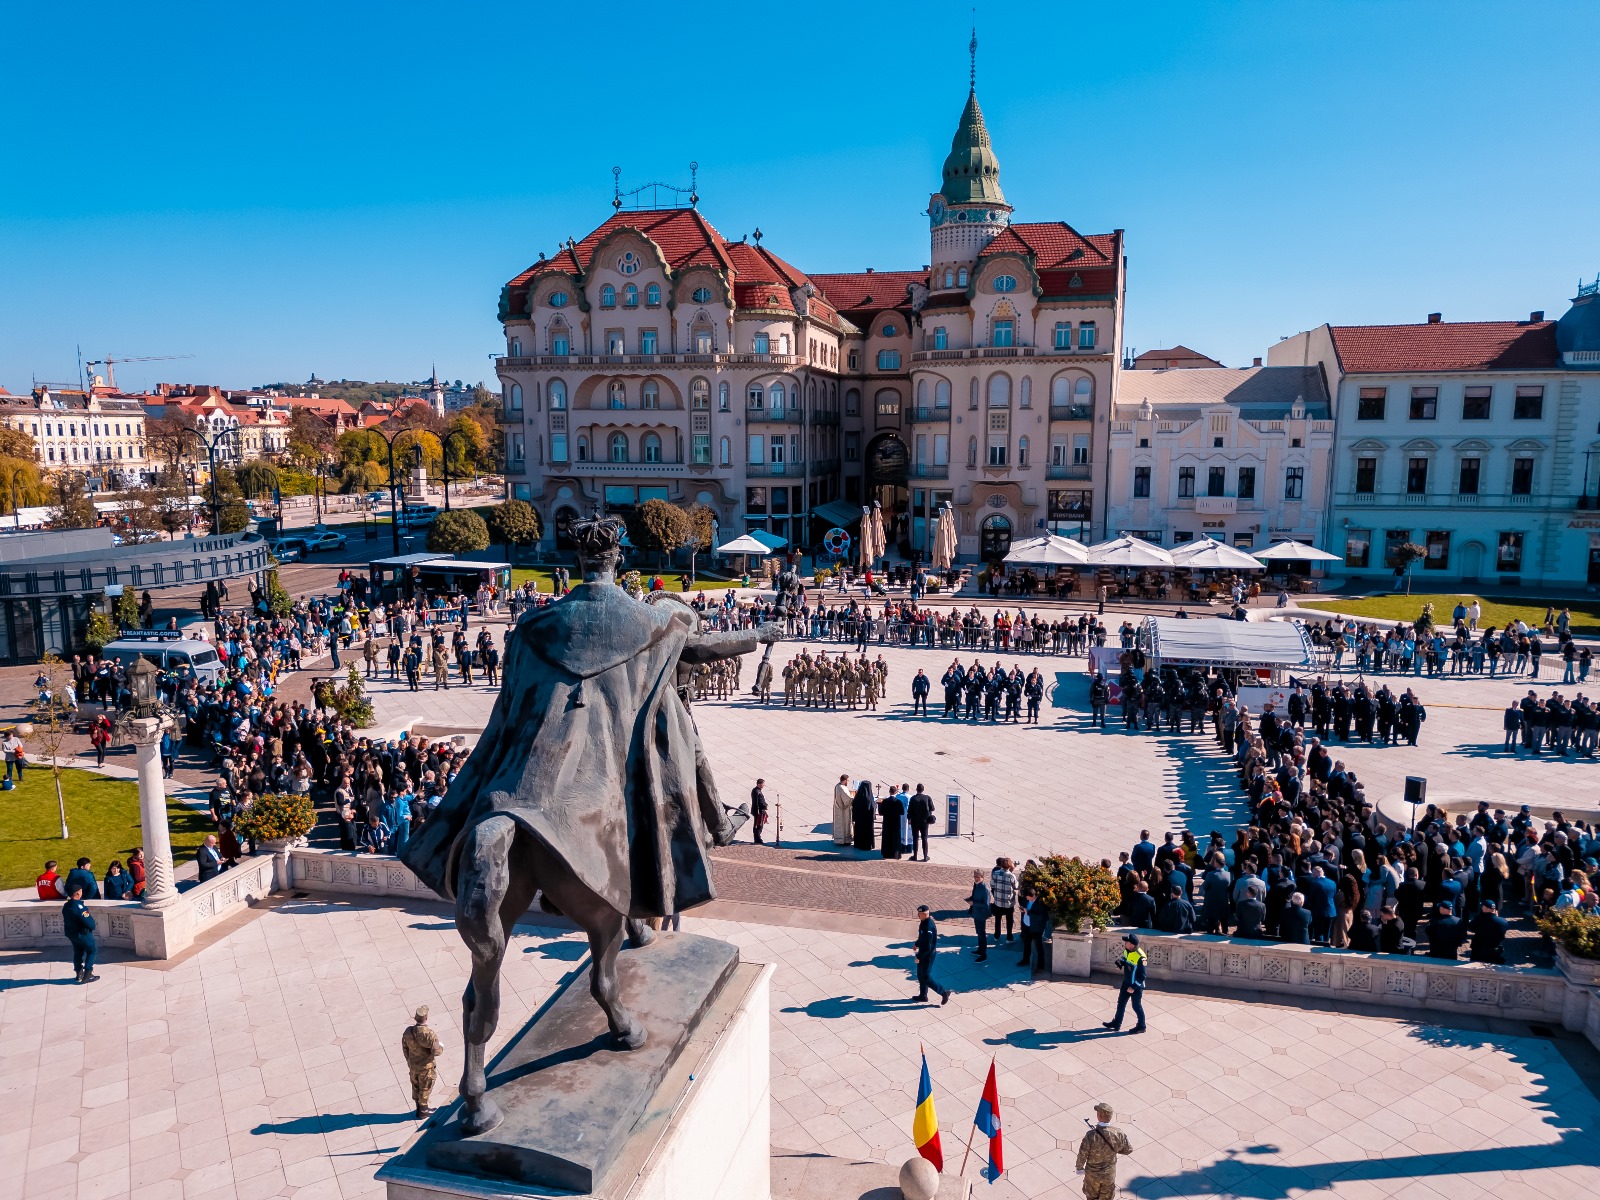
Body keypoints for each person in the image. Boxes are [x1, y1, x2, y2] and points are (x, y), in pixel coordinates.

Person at [1075, 1102, 1133, 1199]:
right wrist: (1115, 1150)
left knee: (1091, 1197)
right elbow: (1128, 1149)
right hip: (1108, 1174)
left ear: (1099, 1116)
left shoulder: (1090, 1135)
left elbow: (1082, 1154)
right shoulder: (1118, 1133)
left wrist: (1079, 1168)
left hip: (1092, 1175)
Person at [402, 1004, 444, 1118]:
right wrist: (441, 1047)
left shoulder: (408, 1032)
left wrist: (409, 1061)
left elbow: (405, 1048)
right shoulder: (430, 1034)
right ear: (426, 1018)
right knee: (425, 1088)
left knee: (416, 1087)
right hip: (426, 1067)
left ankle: (418, 1108)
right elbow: (437, 1051)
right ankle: (423, 1111)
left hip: (413, 1066)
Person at [1102, 933, 1148, 1033]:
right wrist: (1121, 963)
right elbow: (1125, 958)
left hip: (1136, 986)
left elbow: (1142, 976)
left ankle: (1142, 1026)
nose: (1124, 943)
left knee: (1136, 1006)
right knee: (1121, 1003)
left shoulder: (1141, 957)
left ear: (1131, 945)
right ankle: (1116, 1023)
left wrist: (1133, 987)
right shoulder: (1127, 950)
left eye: (1126, 942)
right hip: (1126, 982)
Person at [912, 903, 950, 1005]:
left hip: (927, 956)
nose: (918, 915)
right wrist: (917, 943)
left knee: (926, 977)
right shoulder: (923, 922)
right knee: (920, 975)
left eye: (919, 914)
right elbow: (922, 938)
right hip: (923, 953)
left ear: (924, 914)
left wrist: (919, 957)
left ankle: (943, 992)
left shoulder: (928, 926)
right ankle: (923, 995)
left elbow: (928, 947)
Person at [63, 882, 99, 984]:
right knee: (91, 951)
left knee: (78, 952)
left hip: (72, 934)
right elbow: (90, 923)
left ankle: (79, 972)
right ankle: (88, 974)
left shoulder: (66, 906)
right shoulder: (79, 908)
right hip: (82, 934)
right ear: (78, 893)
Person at [1018, 887, 1048, 971]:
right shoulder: (1026, 900)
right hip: (1027, 926)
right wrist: (1022, 909)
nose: (1027, 899)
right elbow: (1023, 904)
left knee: (1038, 946)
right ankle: (1025, 960)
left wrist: (1028, 912)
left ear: (1033, 896)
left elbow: (1040, 916)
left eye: (1028, 897)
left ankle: (1040, 966)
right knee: (1026, 944)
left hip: (1036, 928)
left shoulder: (1040, 903)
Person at [1469, 899, 1508, 964]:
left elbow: (1471, 927)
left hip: (1479, 950)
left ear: (1485, 908)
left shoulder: (1478, 920)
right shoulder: (1503, 921)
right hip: (1494, 951)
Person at [990, 858, 1017, 943]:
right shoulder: (1011, 876)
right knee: (1009, 920)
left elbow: (992, 885)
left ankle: (997, 935)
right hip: (1008, 903)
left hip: (998, 902)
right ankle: (1009, 937)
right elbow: (1016, 886)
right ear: (1009, 866)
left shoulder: (996, 873)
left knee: (998, 919)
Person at [966, 869, 991, 962]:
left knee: (982, 934)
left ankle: (983, 955)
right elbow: (974, 895)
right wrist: (969, 899)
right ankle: (980, 950)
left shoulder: (985, 888)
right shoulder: (976, 885)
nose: (976, 879)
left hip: (981, 914)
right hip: (976, 913)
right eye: (975, 876)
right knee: (979, 933)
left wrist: (974, 903)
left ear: (982, 877)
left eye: (978, 877)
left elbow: (986, 904)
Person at [907, 784, 935, 862]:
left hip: (915, 821)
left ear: (916, 789)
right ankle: (925, 856)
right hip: (925, 821)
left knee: (915, 838)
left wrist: (909, 819)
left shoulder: (913, 798)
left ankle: (915, 856)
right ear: (923, 790)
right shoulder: (927, 798)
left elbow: (909, 810)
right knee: (924, 838)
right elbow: (932, 808)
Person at [878, 786, 905, 860]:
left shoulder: (885, 801)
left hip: (887, 823)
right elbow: (902, 812)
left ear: (889, 791)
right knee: (895, 839)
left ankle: (886, 853)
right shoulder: (898, 802)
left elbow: (881, 812)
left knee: (887, 838)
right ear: (896, 792)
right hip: (895, 823)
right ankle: (895, 854)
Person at [851, 780, 876, 852]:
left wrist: (854, 817)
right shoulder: (870, 798)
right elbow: (872, 807)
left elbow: (854, 807)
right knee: (867, 832)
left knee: (859, 830)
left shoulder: (858, 797)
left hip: (859, 820)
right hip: (868, 821)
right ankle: (868, 845)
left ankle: (858, 844)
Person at [831, 774, 854, 846]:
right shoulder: (842, 788)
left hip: (838, 809)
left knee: (839, 825)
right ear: (844, 780)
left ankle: (839, 839)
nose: (848, 782)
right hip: (843, 810)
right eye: (847, 780)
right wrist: (853, 797)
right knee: (845, 825)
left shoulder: (837, 786)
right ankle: (845, 840)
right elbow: (847, 800)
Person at [750, 778, 770, 844]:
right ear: (759, 784)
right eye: (763, 784)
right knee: (759, 825)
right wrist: (765, 806)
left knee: (757, 825)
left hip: (756, 811)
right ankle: (758, 838)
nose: (764, 785)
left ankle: (757, 838)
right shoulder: (758, 792)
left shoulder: (754, 790)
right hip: (759, 812)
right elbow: (760, 802)